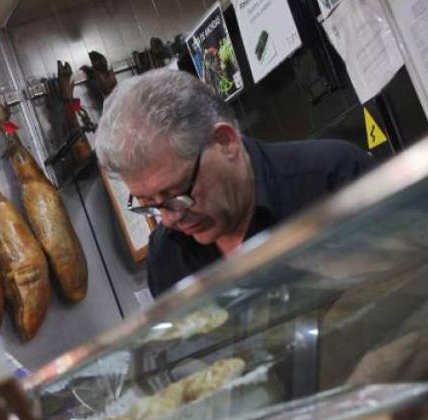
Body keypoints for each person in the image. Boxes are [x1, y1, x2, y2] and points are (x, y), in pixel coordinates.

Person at [94, 69, 372, 297]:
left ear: (225, 141)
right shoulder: (166, 256)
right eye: (148, 203)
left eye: (175, 193)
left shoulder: (332, 177)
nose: (168, 219)